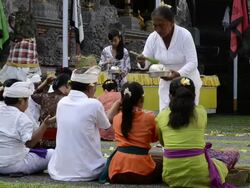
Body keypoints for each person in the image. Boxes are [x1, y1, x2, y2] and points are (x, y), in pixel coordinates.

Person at [156, 77, 239, 187]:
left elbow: (163, 144)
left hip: (171, 176)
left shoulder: (161, 116)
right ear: (194, 96)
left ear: (170, 96)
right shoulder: (201, 113)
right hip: (201, 175)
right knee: (230, 155)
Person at [48, 66, 120, 181]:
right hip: (88, 171)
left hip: (58, 170)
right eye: (95, 85)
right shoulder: (93, 104)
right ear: (90, 87)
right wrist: (117, 105)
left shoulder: (62, 102)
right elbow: (107, 126)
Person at [137, 5, 202, 111]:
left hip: (187, 83)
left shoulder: (185, 35)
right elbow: (146, 62)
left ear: (172, 23)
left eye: (161, 25)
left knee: (187, 117)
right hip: (166, 84)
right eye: (154, 25)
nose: (157, 29)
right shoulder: (152, 38)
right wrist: (142, 62)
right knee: (166, 117)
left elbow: (193, 62)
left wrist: (178, 73)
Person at [106, 82, 162, 184]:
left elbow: (109, 118)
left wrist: (118, 103)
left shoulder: (117, 118)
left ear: (122, 100)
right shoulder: (149, 117)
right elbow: (155, 138)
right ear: (142, 99)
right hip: (143, 173)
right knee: (161, 161)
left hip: (116, 172)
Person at [0, 79, 54, 175]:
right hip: (13, 165)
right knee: (52, 154)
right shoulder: (21, 117)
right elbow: (29, 144)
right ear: (21, 101)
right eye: (27, 101)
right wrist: (45, 125)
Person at [31, 73, 71, 148]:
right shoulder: (68, 100)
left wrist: (46, 83)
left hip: (43, 136)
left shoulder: (45, 96)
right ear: (67, 85)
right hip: (61, 139)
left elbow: (33, 95)